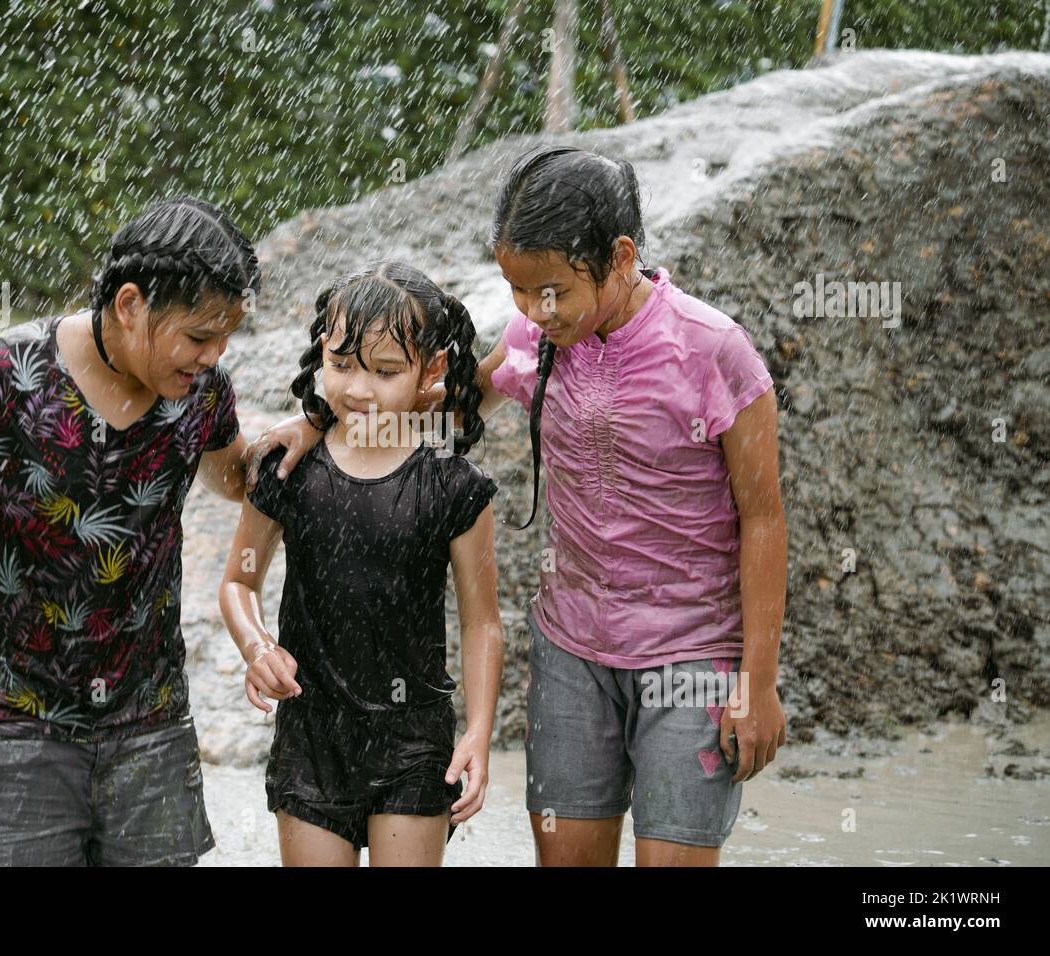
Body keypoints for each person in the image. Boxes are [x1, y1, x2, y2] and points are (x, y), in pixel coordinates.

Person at [249, 146, 788, 867]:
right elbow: (429, 401)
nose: (536, 310)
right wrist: (316, 420)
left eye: (554, 289)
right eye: (518, 289)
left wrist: (757, 682)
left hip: (691, 656)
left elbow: (763, 518)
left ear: (621, 257)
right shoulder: (536, 339)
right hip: (572, 651)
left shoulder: (716, 352)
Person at [0, 194, 261, 866]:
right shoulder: (1, 377)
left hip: (148, 721)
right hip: (5, 719)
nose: (214, 355)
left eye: (226, 338)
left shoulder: (201, 393)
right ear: (129, 305)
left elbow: (236, 479)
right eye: (201, 336)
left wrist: (304, 437)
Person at [221, 260, 503, 866]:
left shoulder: (453, 488)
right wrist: (257, 647)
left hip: (413, 738)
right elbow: (240, 580)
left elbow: (483, 622)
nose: (357, 389)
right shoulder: (289, 473)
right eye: (342, 365)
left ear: (430, 372)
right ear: (320, 351)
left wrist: (479, 731)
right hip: (311, 735)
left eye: (385, 372)